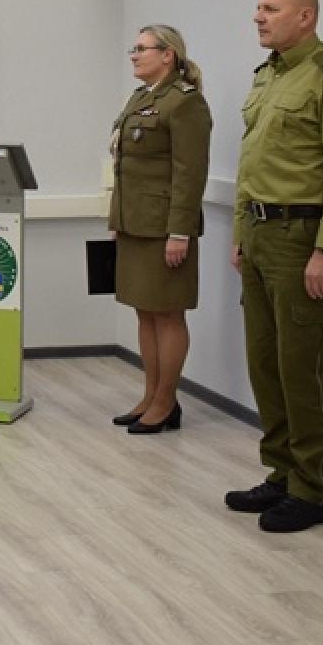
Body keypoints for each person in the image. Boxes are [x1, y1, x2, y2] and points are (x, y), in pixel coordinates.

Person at [227, 0, 323, 533]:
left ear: (305, 16)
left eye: (270, 8)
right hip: (260, 233)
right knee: (265, 363)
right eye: (258, 7)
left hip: (302, 238)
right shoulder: (269, 74)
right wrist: (240, 231)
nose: (258, 16)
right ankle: (283, 472)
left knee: (304, 367)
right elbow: (252, 162)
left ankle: (313, 490)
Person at [107, 25, 211, 435]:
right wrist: (117, 220)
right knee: (144, 312)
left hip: (165, 228)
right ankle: (151, 395)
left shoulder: (185, 102)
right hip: (135, 223)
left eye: (142, 48)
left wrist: (180, 232)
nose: (134, 55)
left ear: (168, 55)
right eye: (133, 48)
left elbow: (190, 173)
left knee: (168, 314)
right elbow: (125, 168)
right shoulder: (141, 98)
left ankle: (166, 401)